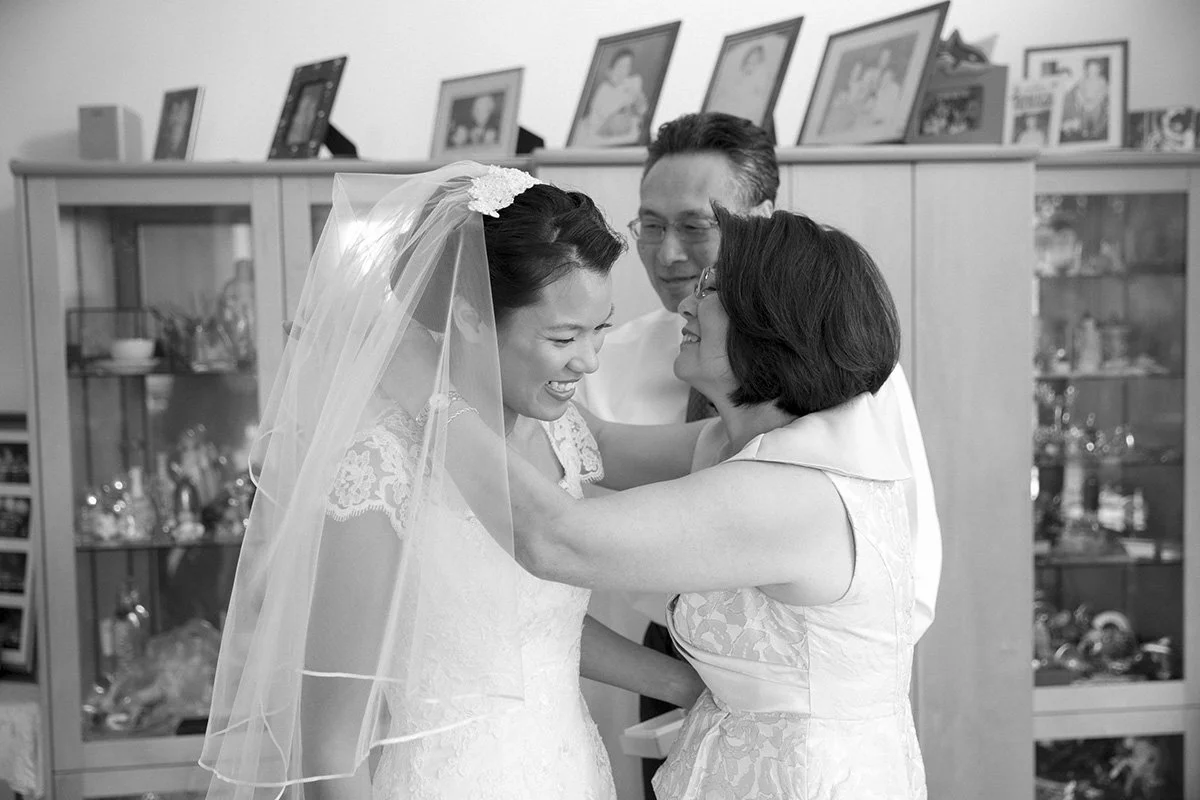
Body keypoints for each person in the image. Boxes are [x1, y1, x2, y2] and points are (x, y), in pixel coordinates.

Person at [200, 163, 702, 799]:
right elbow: (329, 744)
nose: (589, 359)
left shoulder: (561, 432)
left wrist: (691, 686)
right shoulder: (378, 470)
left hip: (569, 771)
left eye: (598, 329)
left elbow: (532, 629)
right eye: (563, 335)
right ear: (468, 315)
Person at [485, 205, 930, 797]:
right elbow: (604, 447)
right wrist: (488, 355)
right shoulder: (742, 440)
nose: (688, 303)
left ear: (774, 322)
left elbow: (556, 540)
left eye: (713, 288)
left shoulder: (793, 492)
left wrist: (432, 393)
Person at [577, 111, 941, 798]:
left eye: (694, 226)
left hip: (809, 681)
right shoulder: (611, 354)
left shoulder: (849, 382)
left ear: (759, 224)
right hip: (671, 654)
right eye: (649, 225)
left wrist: (808, 685)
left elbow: (904, 566)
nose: (668, 256)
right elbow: (596, 450)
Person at [579, 48, 648, 145]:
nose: (623, 71)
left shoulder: (630, 83)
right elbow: (606, 120)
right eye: (620, 66)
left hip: (625, 129)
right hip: (601, 132)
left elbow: (642, 110)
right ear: (611, 70)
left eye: (627, 67)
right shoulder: (604, 89)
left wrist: (637, 97)